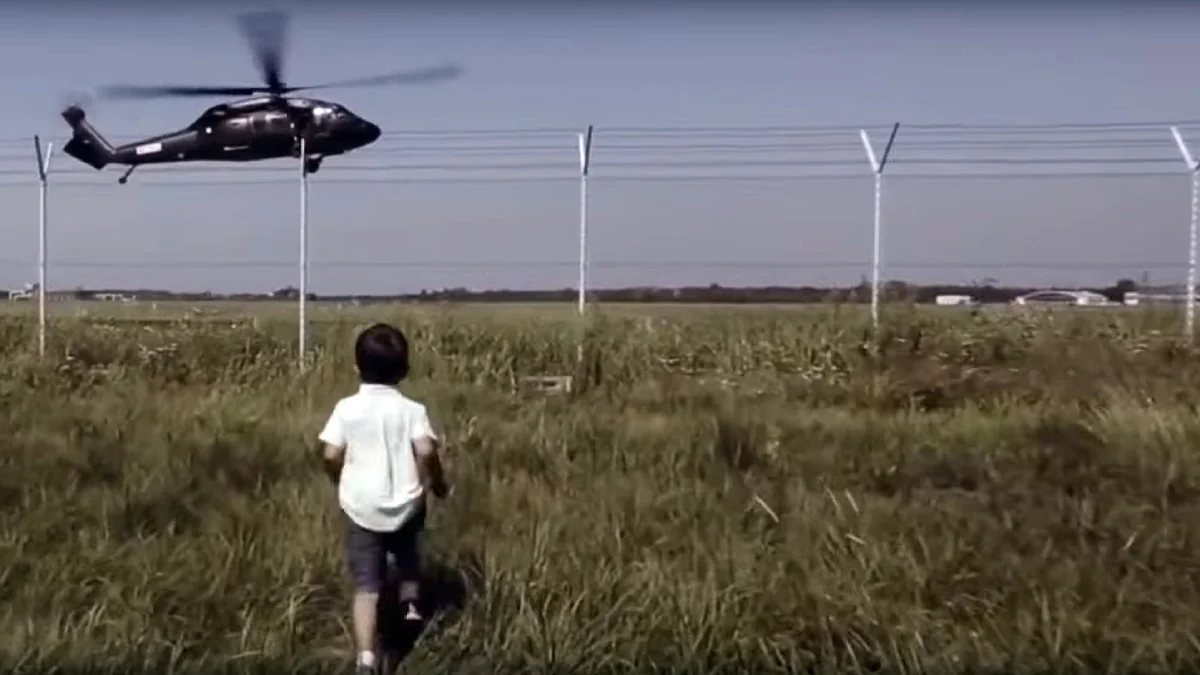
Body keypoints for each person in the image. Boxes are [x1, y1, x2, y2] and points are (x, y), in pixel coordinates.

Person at [317, 322, 450, 675]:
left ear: (356, 367)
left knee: (367, 587)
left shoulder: (346, 408)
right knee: (408, 558)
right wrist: (431, 482)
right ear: (404, 369)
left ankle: (365, 658)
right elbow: (425, 449)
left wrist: (338, 478)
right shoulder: (412, 410)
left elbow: (330, 454)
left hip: (361, 506)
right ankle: (409, 607)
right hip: (407, 503)